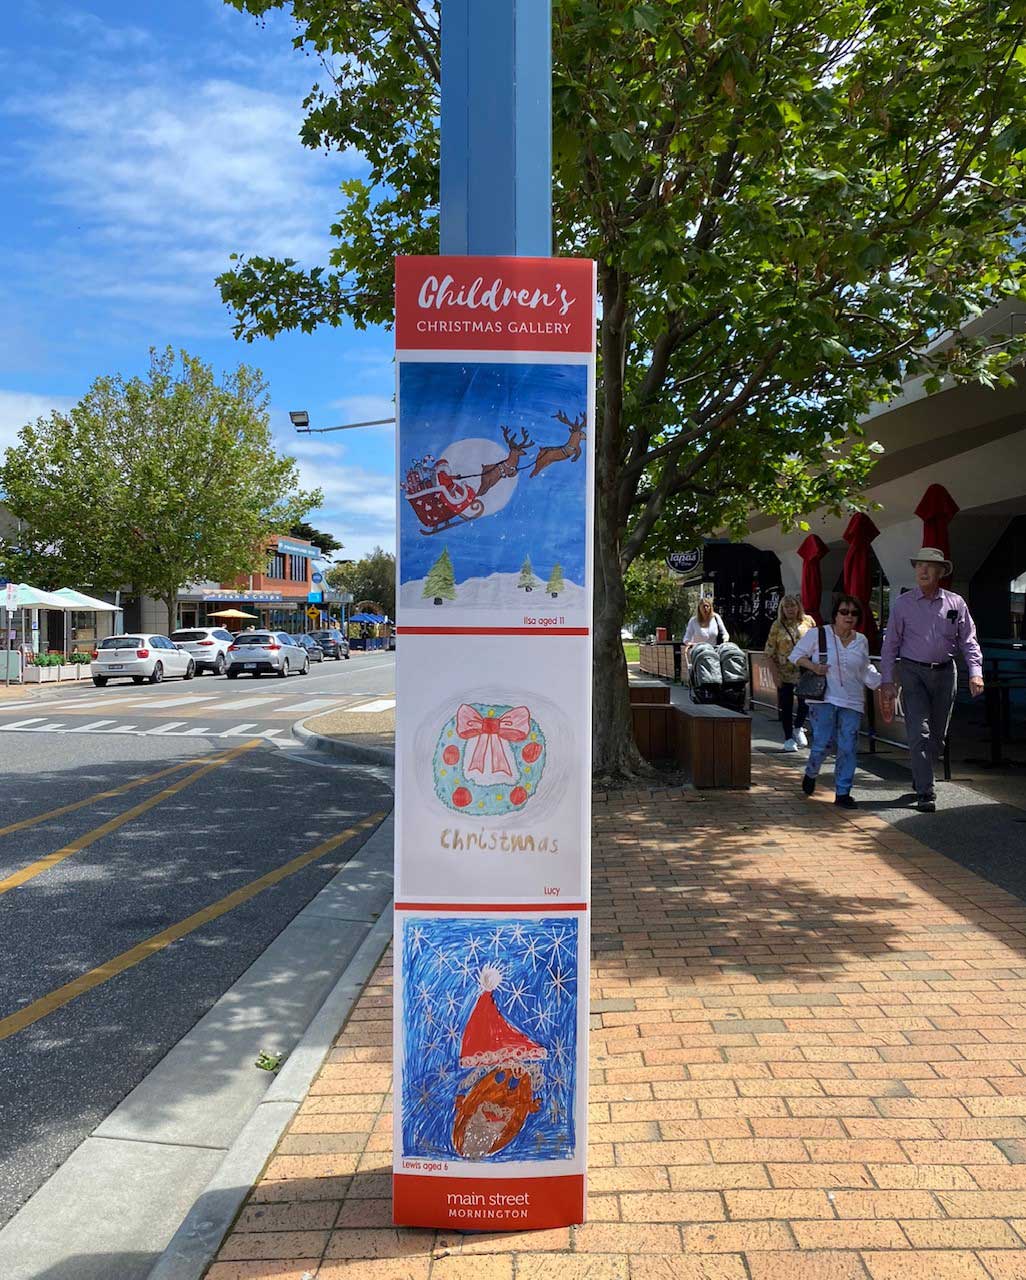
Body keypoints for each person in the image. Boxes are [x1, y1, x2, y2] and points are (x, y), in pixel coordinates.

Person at [880, 547, 984, 813]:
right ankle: (926, 791)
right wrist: (887, 681)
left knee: (938, 736)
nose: (923, 570)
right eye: (919, 566)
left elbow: (968, 640)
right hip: (912, 673)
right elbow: (890, 645)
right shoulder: (903, 604)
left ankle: (921, 772)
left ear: (940, 572)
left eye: (929, 566)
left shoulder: (955, 602)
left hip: (946, 673)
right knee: (919, 732)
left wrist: (976, 672)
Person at [790, 594, 881, 809]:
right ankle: (811, 772)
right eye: (844, 612)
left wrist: (881, 683)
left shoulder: (861, 640)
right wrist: (814, 667)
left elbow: (864, 668)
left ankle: (843, 792)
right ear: (835, 615)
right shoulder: (818, 634)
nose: (849, 617)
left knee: (848, 746)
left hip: (853, 701)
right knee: (823, 744)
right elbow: (795, 656)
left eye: (854, 613)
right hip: (824, 699)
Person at [764, 594, 816, 751]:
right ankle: (788, 738)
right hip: (784, 671)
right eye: (786, 607)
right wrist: (774, 675)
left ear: (798, 607)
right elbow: (769, 651)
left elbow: (817, 644)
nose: (790, 609)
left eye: (793, 606)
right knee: (786, 705)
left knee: (805, 703)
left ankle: (798, 727)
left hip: (805, 670)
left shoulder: (808, 621)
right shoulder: (777, 625)